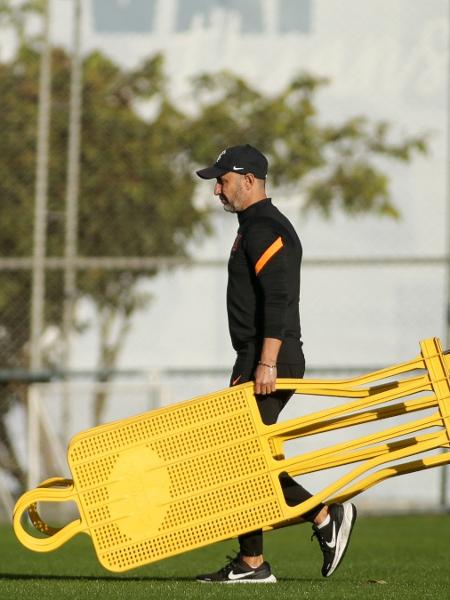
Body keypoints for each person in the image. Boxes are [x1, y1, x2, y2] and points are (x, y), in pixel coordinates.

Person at [194, 144, 357, 584]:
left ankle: (318, 521)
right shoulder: (253, 225)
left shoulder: (266, 226)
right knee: (245, 456)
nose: (217, 192)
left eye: (222, 181)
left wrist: (266, 363)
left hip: (269, 356)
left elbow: (279, 299)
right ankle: (267, 553)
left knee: (238, 456)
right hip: (256, 355)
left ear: (248, 180)